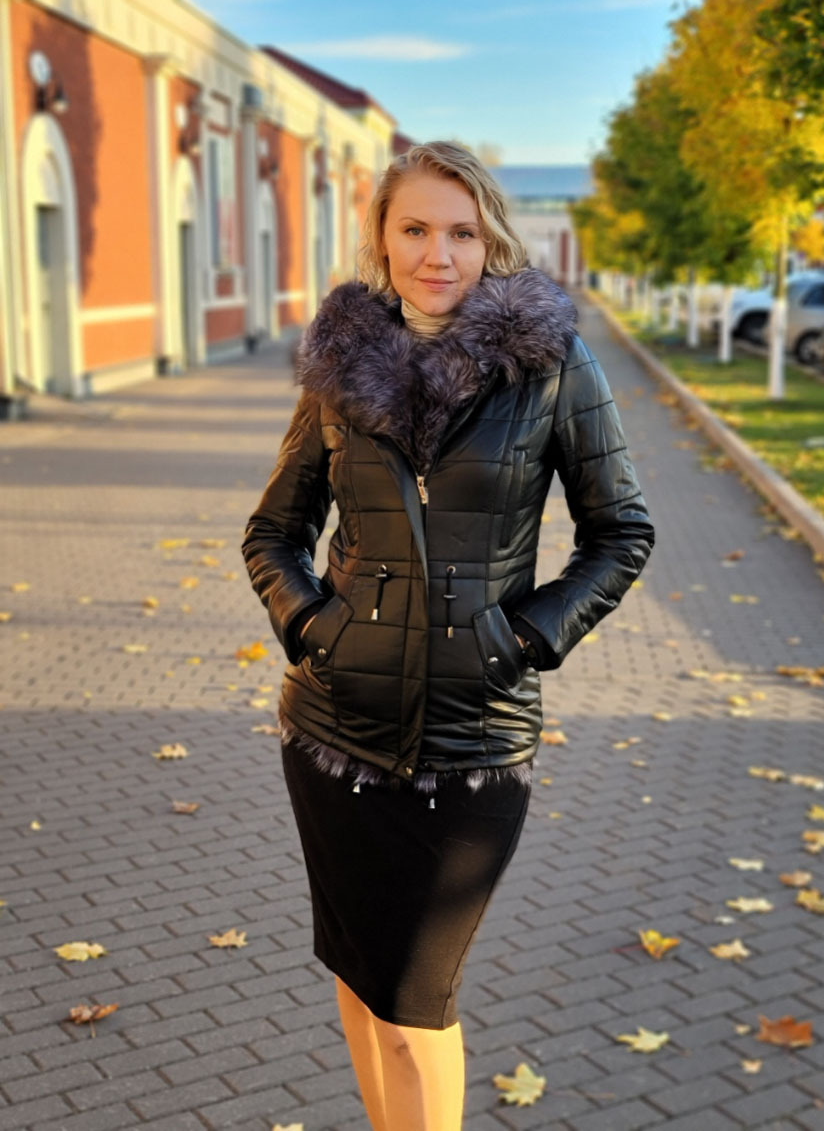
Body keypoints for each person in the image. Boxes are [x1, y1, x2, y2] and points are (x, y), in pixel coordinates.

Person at [241, 140, 655, 1131]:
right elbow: (273, 532)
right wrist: (316, 628)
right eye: (416, 228)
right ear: (383, 239)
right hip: (332, 728)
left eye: (462, 232)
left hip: (473, 740)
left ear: (491, 239)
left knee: (416, 1003)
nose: (439, 254)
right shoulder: (340, 365)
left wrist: (522, 640)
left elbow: (621, 532)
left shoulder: (550, 365)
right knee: (357, 974)